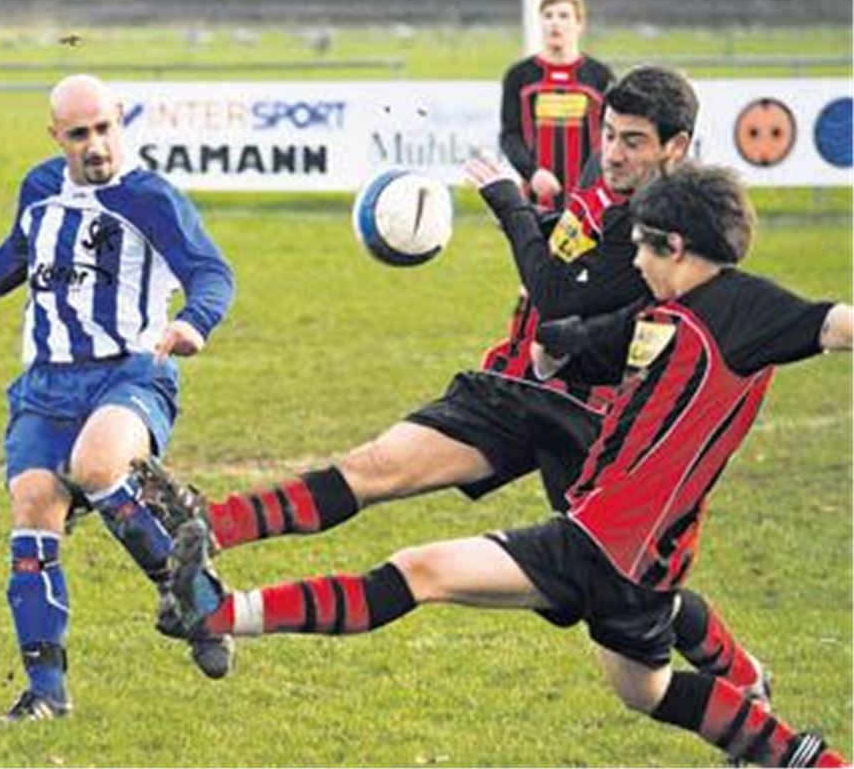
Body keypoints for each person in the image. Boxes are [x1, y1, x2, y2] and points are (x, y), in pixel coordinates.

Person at [165, 163, 852, 768]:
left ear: (674, 245)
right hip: (634, 560)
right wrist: (558, 345)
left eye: (641, 246)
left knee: (417, 571)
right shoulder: (666, 312)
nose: (634, 261)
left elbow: (834, 324)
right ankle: (798, 753)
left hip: (598, 544)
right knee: (648, 690)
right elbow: (597, 334)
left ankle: (220, 613)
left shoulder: (745, 310)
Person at [150, 66, 769, 701]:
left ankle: (740, 677)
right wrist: (545, 217)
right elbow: (566, 258)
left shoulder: (663, 228)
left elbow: (559, 299)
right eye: (608, 134)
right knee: (379, 465)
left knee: (630, 603)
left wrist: (509, 202)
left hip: (593, 424)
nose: (612, 153)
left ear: (677, 145)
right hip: (516, 386)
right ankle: (203, 530)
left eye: (633, 141)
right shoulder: (604, 176)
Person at [0, 74, 235, 721]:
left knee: (97, 466)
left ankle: (187, 592)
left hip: (130, 372)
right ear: (57, 137)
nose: (95, 144)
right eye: (79, 134)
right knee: (33, 509)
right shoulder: (39, 187)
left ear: (119, 120)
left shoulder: (151, 198)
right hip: (45, 386)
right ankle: (46, 694)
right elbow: (21, 252)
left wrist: (193, 322)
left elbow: (212, 271)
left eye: (104, 128)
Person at [499, 0, 613, 210]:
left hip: (590, 196)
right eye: (548, 16)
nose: (555, 23)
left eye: (563, 16)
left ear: (579, 24)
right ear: (539, 22)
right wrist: (532, 173)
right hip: (537, 197)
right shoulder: (519, 75)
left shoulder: (599, 75)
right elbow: (510, 135)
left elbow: (612, 134)